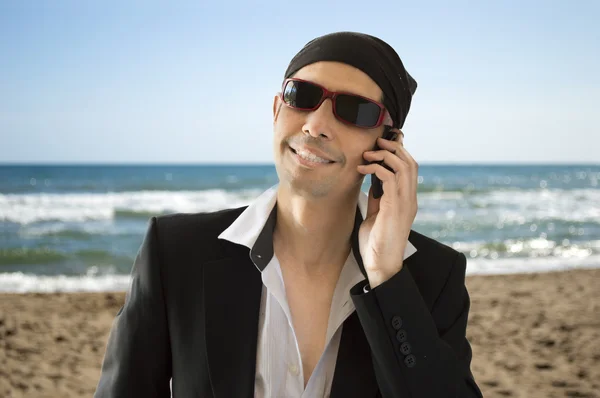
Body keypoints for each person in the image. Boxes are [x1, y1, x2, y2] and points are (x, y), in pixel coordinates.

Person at [94, 31, 483, 398]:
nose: (316, 125)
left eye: (355, 110)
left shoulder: (431, 277)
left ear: (388, 143)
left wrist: (385, 276)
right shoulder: (175, 253)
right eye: (303, 96)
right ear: (278, 108)